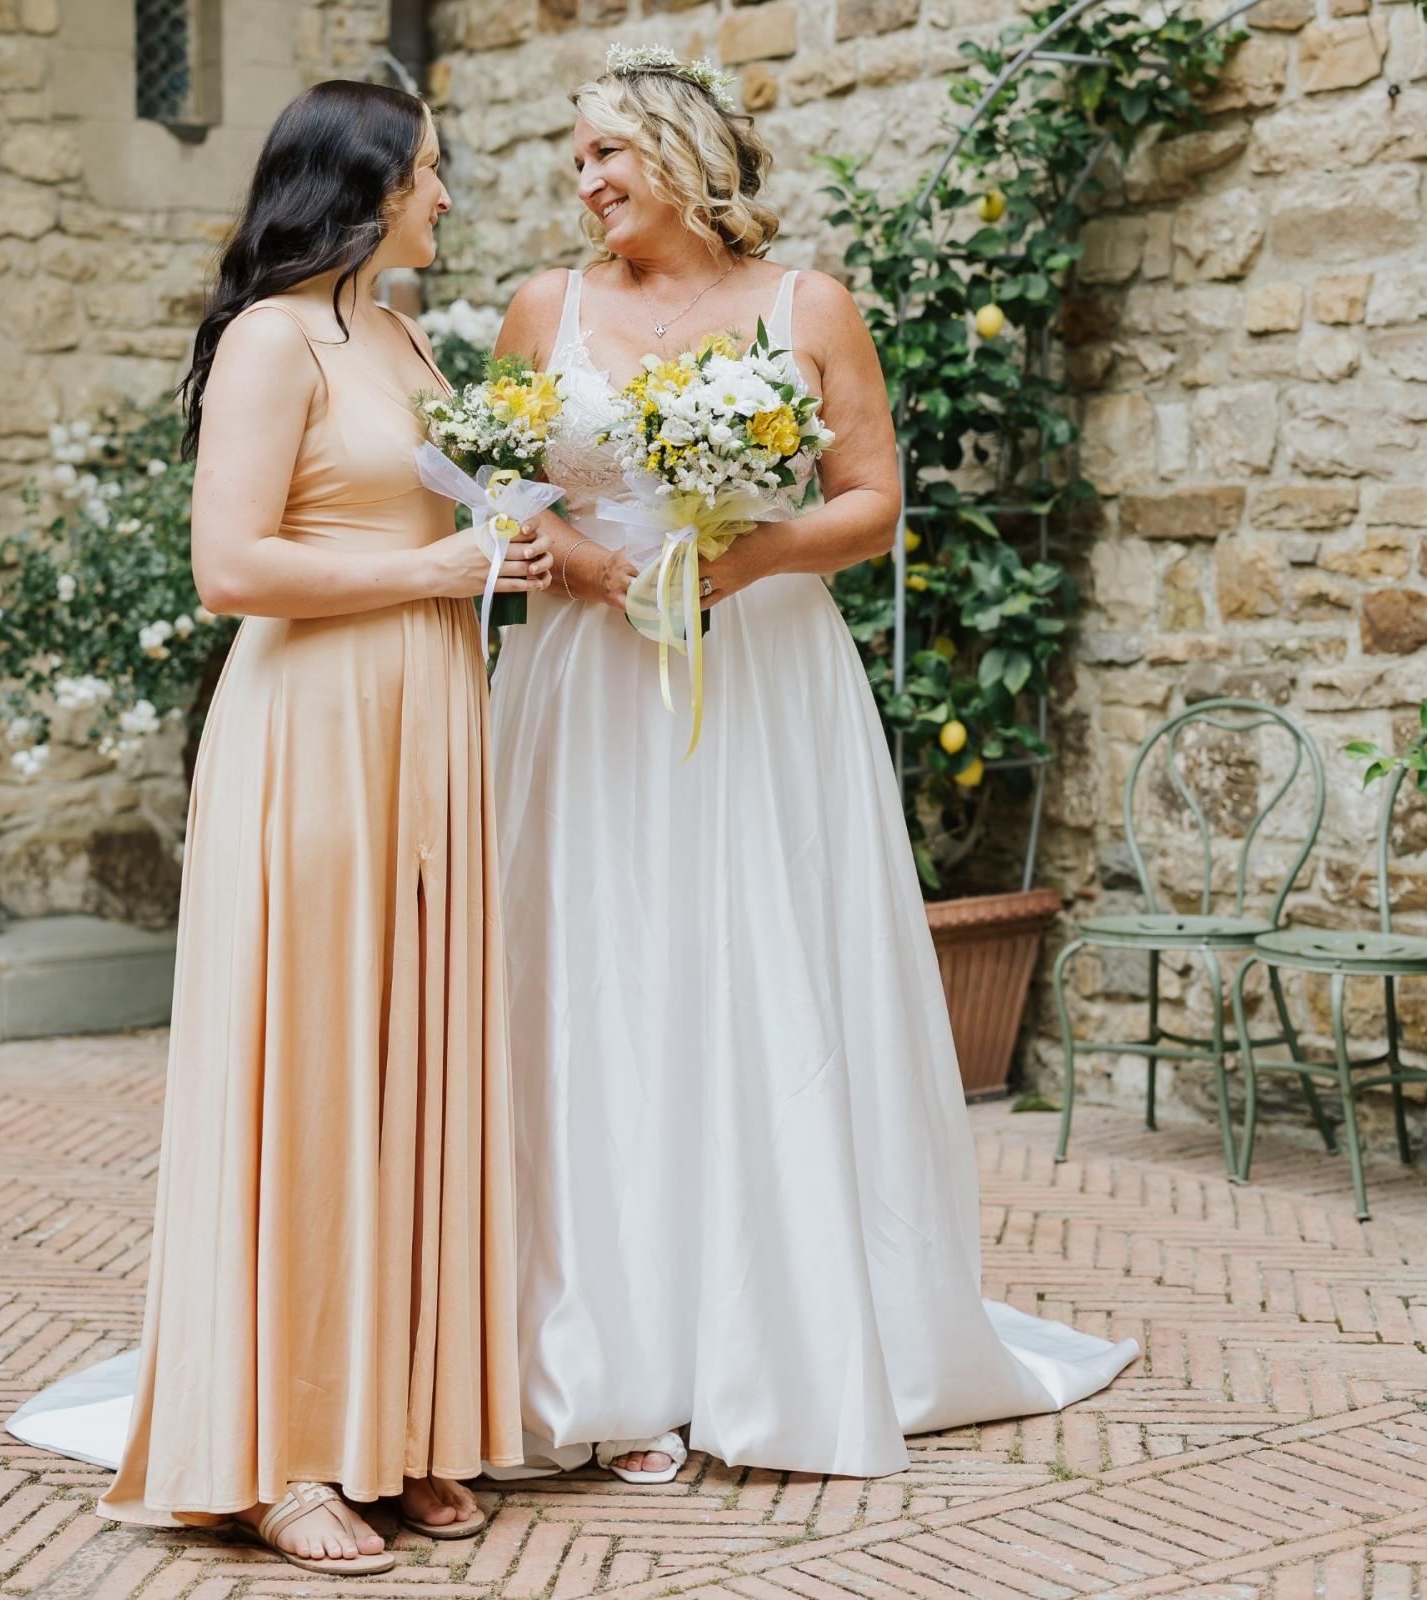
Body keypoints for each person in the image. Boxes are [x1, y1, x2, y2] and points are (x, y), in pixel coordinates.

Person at [486, 46, 1137, 1484]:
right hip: (585, 683)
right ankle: (596, 1345)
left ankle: (774, 1328)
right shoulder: (545, 310)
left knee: (757, 963)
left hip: (764, 675)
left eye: (605, 152)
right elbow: (500, 486)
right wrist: (590, 566)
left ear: (678, 150)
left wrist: (752, 555)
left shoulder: (808, 305)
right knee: (592, 975)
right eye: (575, 156)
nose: (582, 179)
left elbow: (873, 501)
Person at [3, 80, 550, 1572]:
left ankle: (400, 1422)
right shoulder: (271, 339)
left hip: (432, 721)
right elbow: (231, 565)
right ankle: (277, 1451)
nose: (446, 196)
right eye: (429, 172)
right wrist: (440, 575)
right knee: (312, 1066)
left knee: (413, 1064)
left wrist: (513, 547)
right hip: (314, 733)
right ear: (363, 185)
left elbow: (429, 522)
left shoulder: (405, 334)